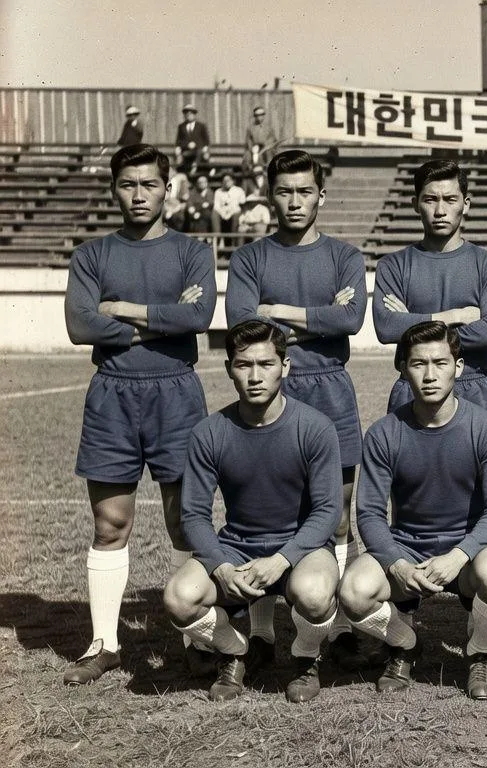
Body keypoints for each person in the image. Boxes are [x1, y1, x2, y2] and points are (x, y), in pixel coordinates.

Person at [61, 143, 217, 685]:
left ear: (167, 188)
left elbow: (197, 315)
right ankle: (104, 643)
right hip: (113, 395)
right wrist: (162, 322)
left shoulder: (192, 252)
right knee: (110, 524)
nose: (139, 194)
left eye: (149, 184)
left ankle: (197, 639)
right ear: (114, 189)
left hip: (177, 394)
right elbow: (81, 327)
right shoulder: (91, 256)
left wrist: (122, 310)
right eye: (128, 184)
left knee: (185, 521)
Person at [226, 150, 368, 662]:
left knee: (340, 512)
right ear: (269, 196)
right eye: (284, 191)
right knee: (268, 507)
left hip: (330, 387)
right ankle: (262, 631)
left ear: (321, 196)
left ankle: (340, 624)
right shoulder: (249, 258)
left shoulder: (345, 256)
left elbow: (350, 319)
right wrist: (317, 316)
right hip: (268, 389)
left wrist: (277, 310)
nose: (294, 201)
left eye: (304, 191)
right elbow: (243, 327)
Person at [163, 320, 342, 702]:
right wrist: (220, 566)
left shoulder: (315, 427)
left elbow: (328, 510)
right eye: (244, 365)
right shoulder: (210, 432)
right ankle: (235, 649)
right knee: (179, 598)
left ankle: (306, 656)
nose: (255, 376)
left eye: (266, 364)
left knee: (313, 594)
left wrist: (282, 559)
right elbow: (193, 514)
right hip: (237, 547)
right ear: (229, 368)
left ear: (286, 366)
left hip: (301, 548)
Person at [341, 321, 487, 698]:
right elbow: (369, 513)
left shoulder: (486, 428)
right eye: (419, 364)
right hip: (408, 547)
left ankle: (479, 654)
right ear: (403, 368)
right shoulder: (385, 432)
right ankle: (405, 643)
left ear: (459, 366)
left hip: (469, 549)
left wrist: (459, 556)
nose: (430, 374)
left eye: (440, 362)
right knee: (354, 593)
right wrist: (396, 563)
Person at [373, 160, 487, 417]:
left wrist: (413, 325)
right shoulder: (393, 265)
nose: (440, 210)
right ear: (415, 205)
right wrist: (454, 317)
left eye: (450, 199)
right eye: (430, 200)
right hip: (411, 387)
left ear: (465, 204)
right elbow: (387, 327)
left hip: (473, 385)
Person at [174, 104, 210, 177]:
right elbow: (178, 142)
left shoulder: (201, 126)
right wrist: (187, 145)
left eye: (190, 113)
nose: (188, 115)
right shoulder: (181, 126)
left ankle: (195, 166)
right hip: (187, 152)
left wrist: (202, 148)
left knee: (200, 152)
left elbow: (206, 140)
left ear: (194, 114)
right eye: (186, 114)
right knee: (182, 156)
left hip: (199, 151)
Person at [243, 106, 280, 174]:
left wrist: (266, 144)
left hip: (266, 149)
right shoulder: (251, 128)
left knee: (269, 152)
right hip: (255, 149)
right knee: (248, 157)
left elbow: (273, 139)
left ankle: (268, 170)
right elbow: (248, 140)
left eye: (261, 115)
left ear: (263, 116)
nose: (259, 117)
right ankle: (253, 172)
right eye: (257, 115)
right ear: (254, 116)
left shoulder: (269, 128)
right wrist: (252, 148)